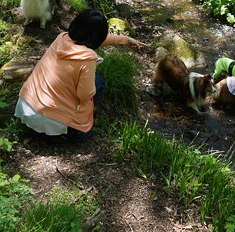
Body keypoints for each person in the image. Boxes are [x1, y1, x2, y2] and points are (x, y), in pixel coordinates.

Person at [14, 9, 146, 141]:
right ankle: (63, 131)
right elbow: (84, 95)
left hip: (27, 107)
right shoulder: (88, 58)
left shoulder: (62, 38)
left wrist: (125, 39)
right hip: (50, 120)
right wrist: (92, 70)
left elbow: (89, 38)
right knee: (99, 82)